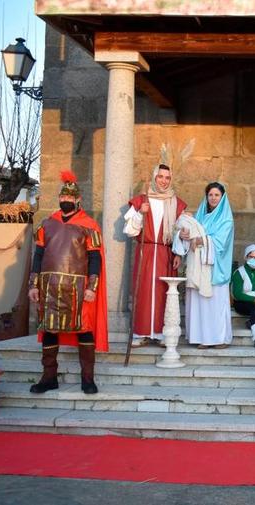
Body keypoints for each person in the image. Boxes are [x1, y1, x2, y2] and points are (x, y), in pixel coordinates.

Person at [28, 171, 108, 395]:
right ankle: (49, 377)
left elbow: (95, 258)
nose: (66, 201)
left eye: (70, 198)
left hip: (78, 288)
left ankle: (88, 379)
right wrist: (33, 285)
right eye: (63, 198)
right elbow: (38, 255)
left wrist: (92, 287)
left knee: (84, 329)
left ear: (78, 200)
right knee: (50, 331)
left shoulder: (89, 225)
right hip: (49, 286)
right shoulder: (47, 223)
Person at [123, 163, 187, 348]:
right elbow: (129, 230)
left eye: (167, 177)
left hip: (167, 252)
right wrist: (139, 214)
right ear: (154, 177)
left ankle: (161, 333)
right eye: (161, 177)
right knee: (143, 291)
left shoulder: (176, 203)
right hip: (147, 250)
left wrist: (179, 252)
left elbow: (180, 231)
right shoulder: (142, 200)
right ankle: (140, 332)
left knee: (163, 292)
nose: (164, 181)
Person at [177, 182, 234, 349]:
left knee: (215, 305)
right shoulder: (200, 216)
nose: (213, 198)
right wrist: (184, 233)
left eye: (217, 195)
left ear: (222, 197)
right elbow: (190, 232)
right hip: (198, 266)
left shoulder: (226, 219)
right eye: (210, 195)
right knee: (199, 303)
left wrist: (200, 240)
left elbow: (220, 242)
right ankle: (202, 338)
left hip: (215, 268)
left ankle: (220, 338)